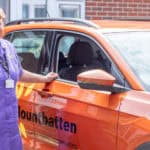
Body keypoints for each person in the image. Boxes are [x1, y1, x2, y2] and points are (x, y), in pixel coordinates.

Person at [0, 8, 58, 150]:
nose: (0, 26)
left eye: (1, 21)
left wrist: (44, 79)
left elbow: (19, 73)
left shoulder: (8, 47)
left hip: (10, 125)